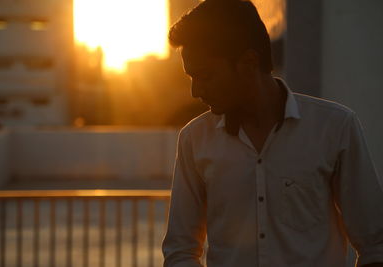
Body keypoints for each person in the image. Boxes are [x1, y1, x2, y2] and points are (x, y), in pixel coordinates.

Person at [161, 0, 383, 266]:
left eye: (206, 76)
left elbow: (375, 245)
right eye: (191, 77)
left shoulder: (335, 127)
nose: (195, 91)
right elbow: (180, 250)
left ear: (249, 63)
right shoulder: (194, 140)